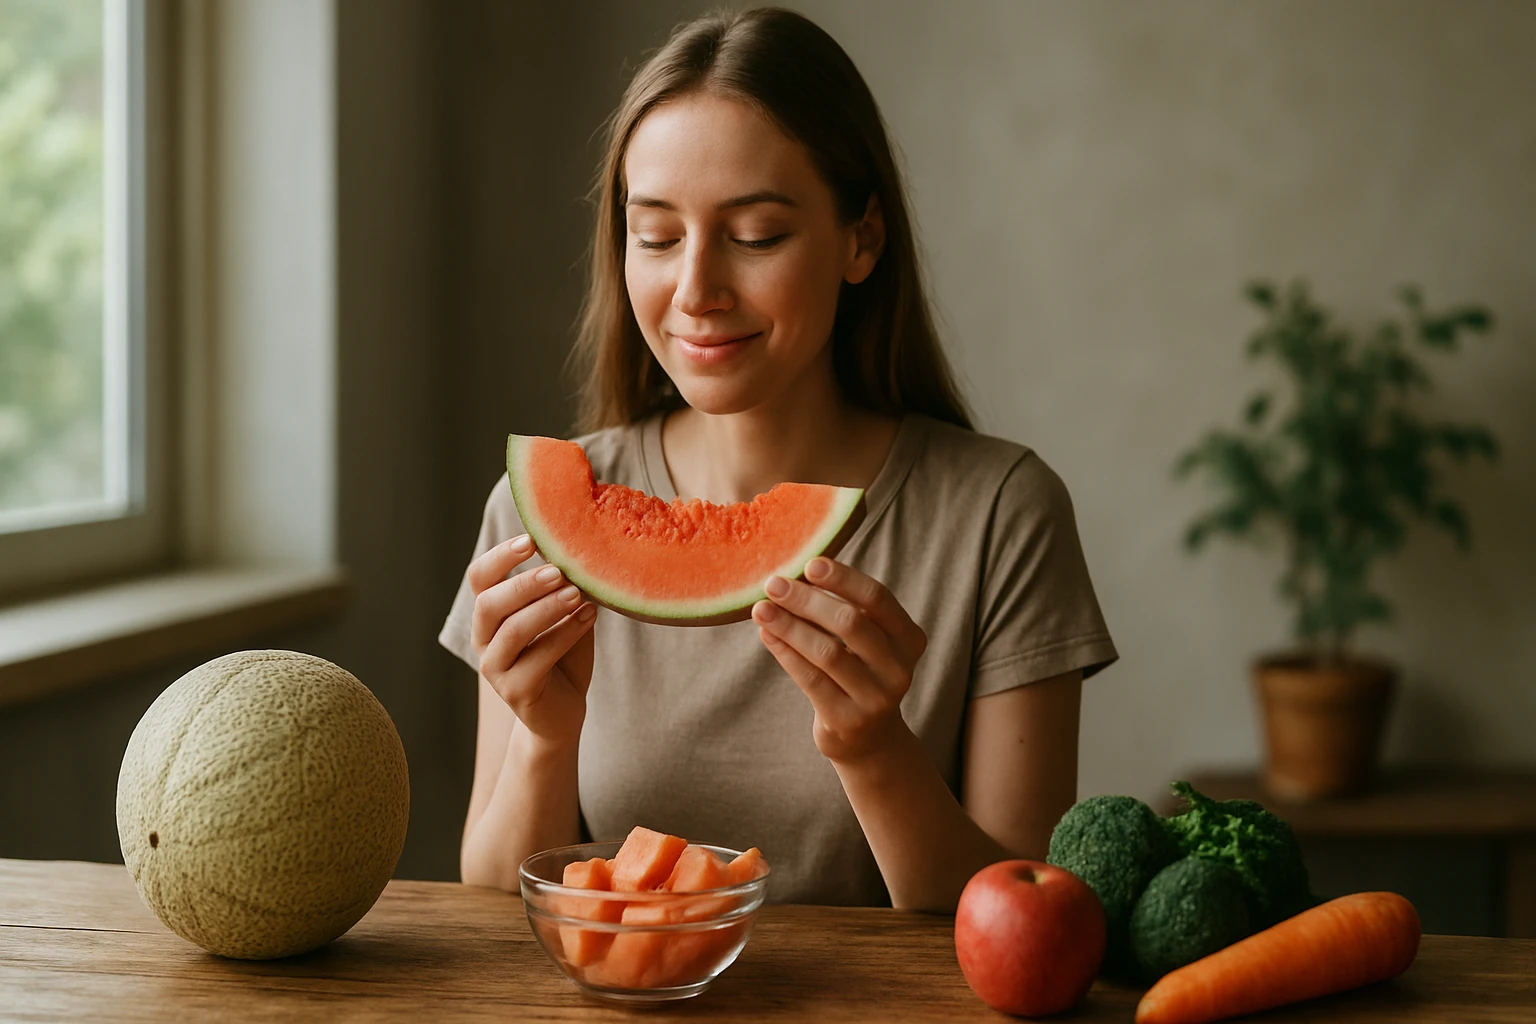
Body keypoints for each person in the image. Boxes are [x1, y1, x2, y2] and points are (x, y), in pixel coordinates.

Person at [438, 7, 1117, 911]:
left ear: (861, 239)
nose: (696, 291)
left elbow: (1030, 918)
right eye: (656, 235)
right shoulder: (538, 512)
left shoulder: (1002, 513)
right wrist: (546, 739)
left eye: (756, 235)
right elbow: (488, 903)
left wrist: (876, 751)